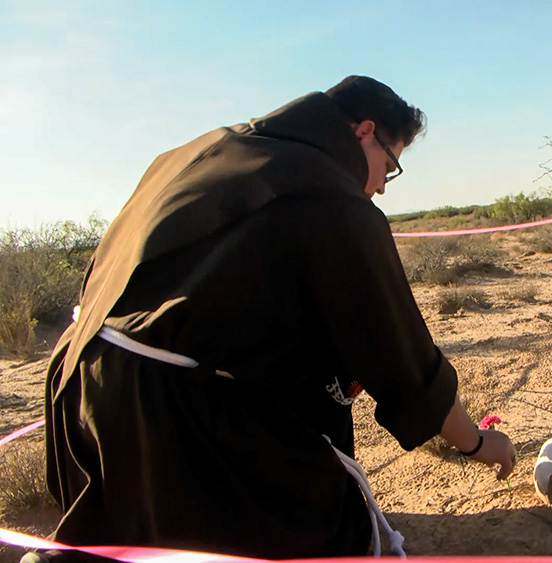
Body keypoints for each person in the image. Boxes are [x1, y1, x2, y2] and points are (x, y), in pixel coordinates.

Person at [38, 76, 516, 559]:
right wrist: (478, 443)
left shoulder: (200, 152)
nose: (381, 187)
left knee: (115, 543)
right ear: (364, 132)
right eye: (389, 166)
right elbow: (406, 366)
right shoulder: (331, 197)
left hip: (79, 384)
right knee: (317, 533)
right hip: (170, 412)